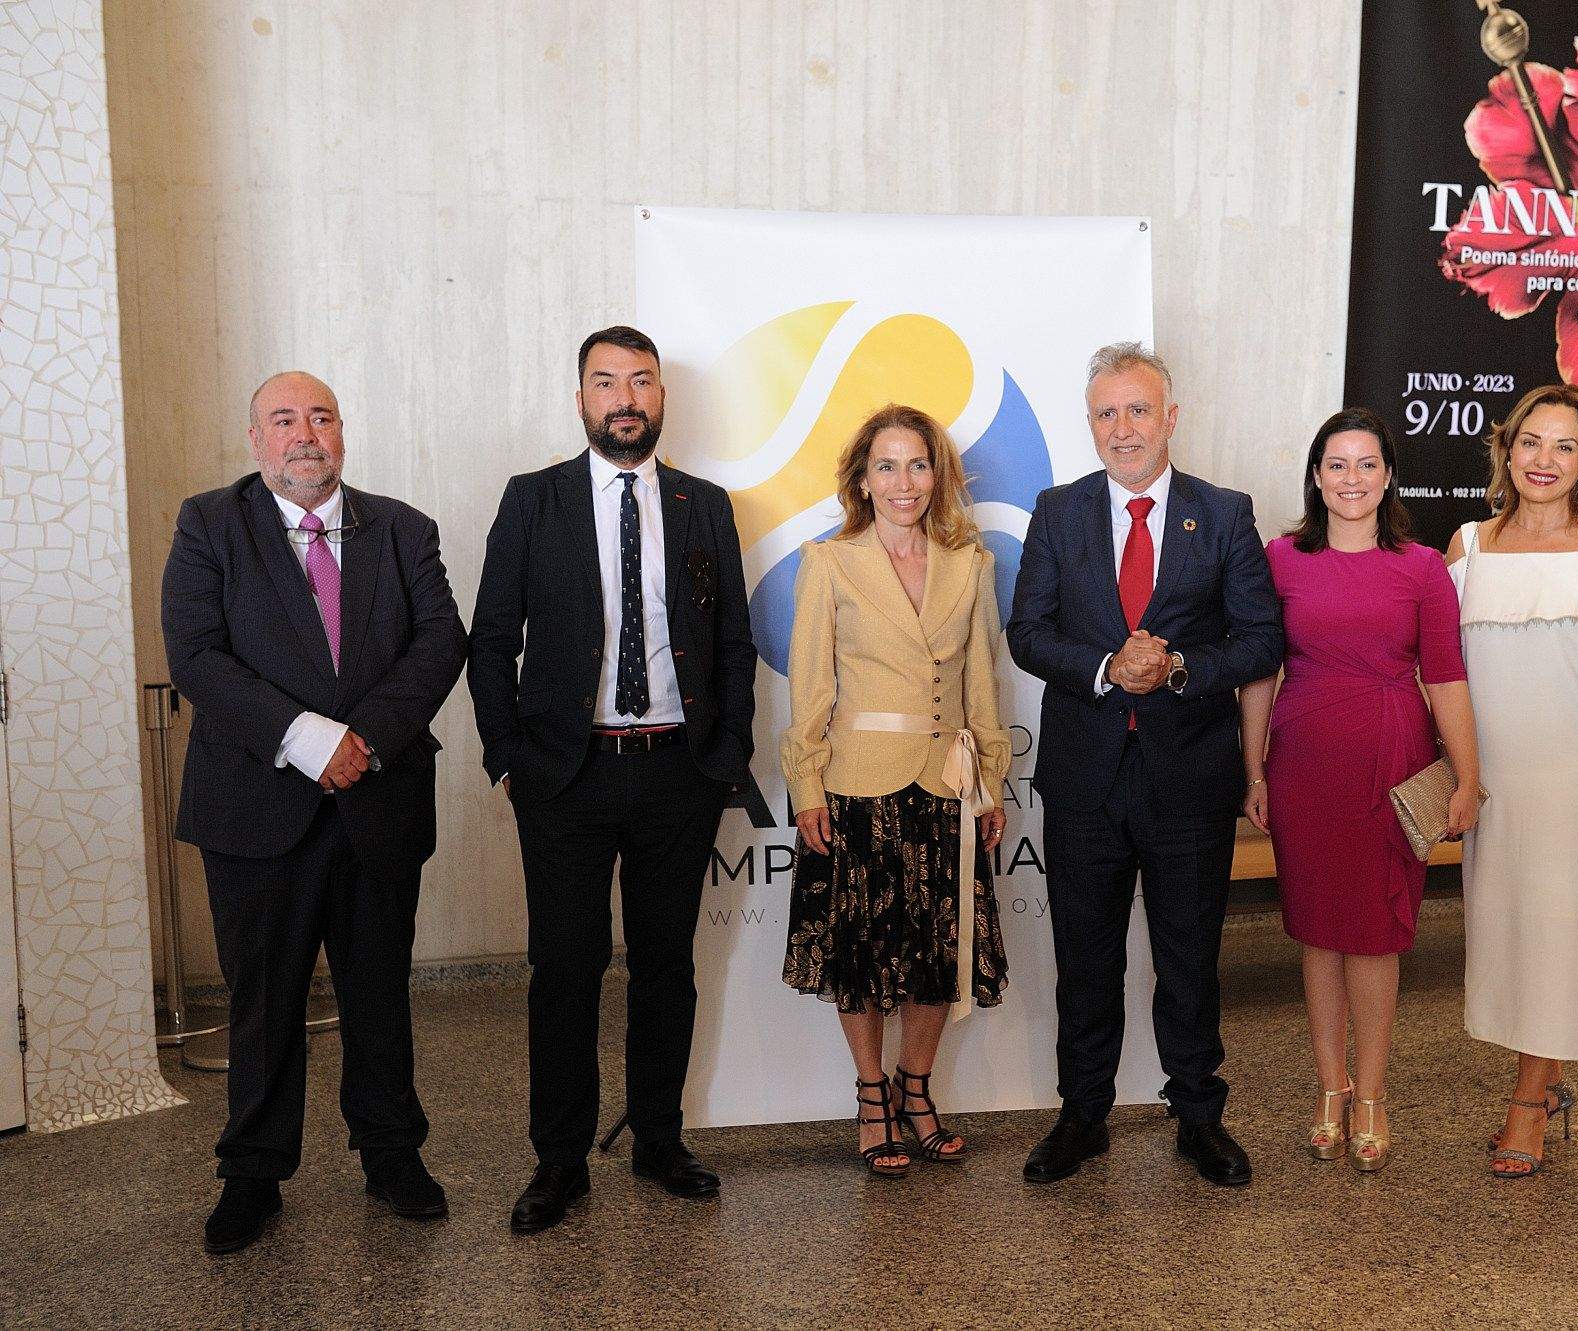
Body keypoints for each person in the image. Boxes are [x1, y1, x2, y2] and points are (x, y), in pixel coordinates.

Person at [161, 372, 467, 1254]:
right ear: (255, 438)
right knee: (263, 997)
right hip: (256, 805)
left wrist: (360, 739)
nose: (306, 435)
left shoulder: (403, 528)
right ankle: (253, 1172)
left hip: (378, 796)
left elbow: (439, 639)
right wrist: (306, 738)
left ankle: (391, 1154)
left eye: (322, 417)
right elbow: (198, 655)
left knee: (380, 991)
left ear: (344, 433)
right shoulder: (209, 523)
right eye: (284, 420)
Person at [468, 325, 757, 1233]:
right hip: (566, 775)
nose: (624, 397)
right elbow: (489, 640)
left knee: (667, 965)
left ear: (662, 398)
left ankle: (659, 1140)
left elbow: (734, 643)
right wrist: (508, 756)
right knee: (563, 968)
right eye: (606, 382)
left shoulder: (705, 504)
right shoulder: (533, 500)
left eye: (641, 381)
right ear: (580, 399)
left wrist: (725, 757)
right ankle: (559, 1160)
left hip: (679, 771)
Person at [1007, 343, 1283, 1188]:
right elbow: (1028, 632)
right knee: (1084, 956)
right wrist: (1104, 669)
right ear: (1089, 424)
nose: (1122, 429)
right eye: (1105, 413)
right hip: (1087, 776)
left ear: (1171, 417)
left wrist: (1179, 669)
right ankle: (1082, 1115)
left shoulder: (1226, 512)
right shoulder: (1057, 512)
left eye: (1137, 411)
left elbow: (1261, 638)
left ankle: (1198, 1115)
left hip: (1189, 776)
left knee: (1189, 955)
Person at [1241, 407, 1479, 1174]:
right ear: (1316, 475)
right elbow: (1259, 673)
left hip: (1392, 760)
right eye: (1336, 464)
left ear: (1388, 476)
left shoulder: (1420, 568)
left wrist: (1468, 777)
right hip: (1304, 760)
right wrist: (1253, 769)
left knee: (1376, 931)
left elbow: (1445, 676)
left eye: (1366, 464)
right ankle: (1329, 1089)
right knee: (1318, 928)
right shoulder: (1279, 559)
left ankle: (1372, 1092)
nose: (1351, 478)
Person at [779, 404, 1010, 1176]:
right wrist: (806, 781)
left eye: (918, 464)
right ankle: (872, 1094)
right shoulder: (830, 562)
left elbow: (984, 680)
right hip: (855, 785)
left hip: (948, 783)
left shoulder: (969, 562)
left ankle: (918, 1088)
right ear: (863, 479)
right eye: (887, 465)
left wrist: (993, 785)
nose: (903, 481)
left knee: (938, 953)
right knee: (863, 954)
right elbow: (810, 686)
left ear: (936, 475)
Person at [1442, 385, 1578, 1178]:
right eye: (1532, 442)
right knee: (1508, 928)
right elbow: (1443, 675)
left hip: (1577, 773)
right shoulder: (1466, 547)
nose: (1545, 460)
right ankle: (1547, 1072)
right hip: (1491, 778)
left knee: (1561, 932)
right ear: (1507, 448)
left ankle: (1527, 1101)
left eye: (1564, 446)